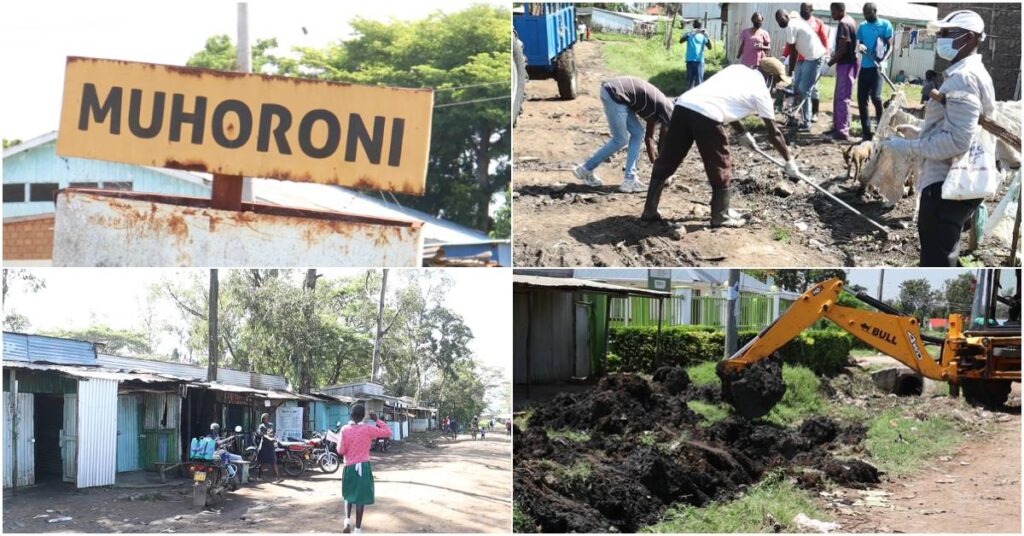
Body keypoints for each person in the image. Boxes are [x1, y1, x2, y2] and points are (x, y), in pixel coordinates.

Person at [881, 10, 995, 267]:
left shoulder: (964, 78)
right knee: (943, 250)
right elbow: (957, 124)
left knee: (937, 258)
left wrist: (908, 146)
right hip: (957, 184)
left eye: (946, 34)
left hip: (946, 187)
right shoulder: (971, 73)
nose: (940, 39)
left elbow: (957, 141)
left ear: (967, 39)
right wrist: (921, 131)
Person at [641, 58, 800, 228]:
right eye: (776, 81)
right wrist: (789, 161)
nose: (776, 86)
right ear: (769, 76)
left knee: (668, 158)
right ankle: (720, 216)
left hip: (683, 106)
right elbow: (774, 133)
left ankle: (649, 212)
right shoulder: (761, 91)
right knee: (721, 165)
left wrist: (743, 132)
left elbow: (722, 100)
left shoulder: (737, 69)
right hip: (707, 116)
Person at [572, 76, 673, 193]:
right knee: (620, 139)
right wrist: (662, 171)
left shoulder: (660, 109)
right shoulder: (669, 113)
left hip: (619, 94)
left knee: (637, 132)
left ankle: (630, 179)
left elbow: (648, 138)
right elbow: (661, 144)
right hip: (615, 93)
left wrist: (659, 168)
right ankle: (585, 169)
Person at [337, 404, 392, 534]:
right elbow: (388, 432)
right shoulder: (368, 429)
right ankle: (357, 529)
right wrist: (377, 420)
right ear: (363, 417)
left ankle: (346, 522)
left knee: (348, 495)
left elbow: (340, 450)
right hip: (363, 467)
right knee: (360, 499)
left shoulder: (344, 430)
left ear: (351, 415)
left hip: (349, 467)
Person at [776, 7, 828, 132]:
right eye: (778, 20)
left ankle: (806, 122)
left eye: (782, 18)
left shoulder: (790, 26)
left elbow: (793, 52)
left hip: (814, 57)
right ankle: (794, 118)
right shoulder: (794, 19)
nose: (780, 21)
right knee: (797, 88)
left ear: (787, 16)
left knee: (805, 91)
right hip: (806, 58)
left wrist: (790, 74)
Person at [856, 2, 894, 140]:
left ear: (875, 11)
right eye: (865, 14)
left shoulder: (885, 25)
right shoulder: (862, 26)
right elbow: (858, 43)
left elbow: (890, 46)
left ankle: (881, 129)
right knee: (861, 99)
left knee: (876, 97)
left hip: (878, 67)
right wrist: (860, 46)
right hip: (866, 66)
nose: (867, 16)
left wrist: (884, 61)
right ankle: (866, 133)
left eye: (869, 13)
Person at [826, 3, 859, 140]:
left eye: (833, 12)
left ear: (841, 11)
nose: (832, 14)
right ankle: (837, 126)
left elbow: (842, 49)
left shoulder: (843, 24)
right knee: (838, 96)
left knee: (843, 97)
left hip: (847, 64)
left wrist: (829, 63)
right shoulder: (850, 20)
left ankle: (842, 131)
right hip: (847, 63)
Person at [680, 20, 713, 89]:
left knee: (698, 83)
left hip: (698, 61)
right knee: (691, 83)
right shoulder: (690, 34)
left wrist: (707, 36)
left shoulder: (703, 35)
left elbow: (710, 47)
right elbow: (681, 41)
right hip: (692, 61)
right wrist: (689, 33)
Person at [254, 413, 279, 481]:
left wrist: (275, 438)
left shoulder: (271, 425)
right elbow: (264, 435)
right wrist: (270, 438)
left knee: (274, 461)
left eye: (267, 417)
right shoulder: (261, 426)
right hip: (264, 446)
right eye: (265, 418)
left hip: (270, 446)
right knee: (262, 463)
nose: (266, 419)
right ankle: (259, 477)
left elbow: (274, 433)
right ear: (262, 419)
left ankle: (277, 478)